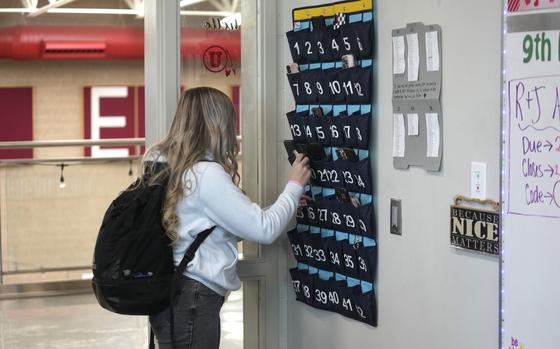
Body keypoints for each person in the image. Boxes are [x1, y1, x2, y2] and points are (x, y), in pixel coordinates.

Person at [143, 87, 311, 348]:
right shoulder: (207, 175)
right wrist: (294, 184)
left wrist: (287, 206)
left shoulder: (166, 164)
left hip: (173, 293)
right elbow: (263, 230)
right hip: (193, 299)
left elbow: (223, 224)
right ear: (216, 123)